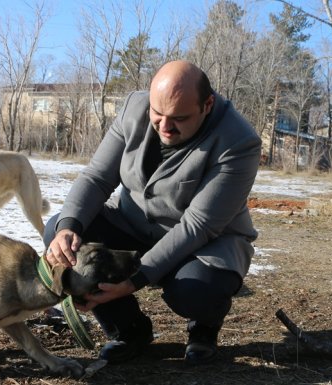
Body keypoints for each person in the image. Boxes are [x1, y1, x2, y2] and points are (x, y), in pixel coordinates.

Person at [44, 60, 261, 365]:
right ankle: (129, 331)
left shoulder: (238, 141)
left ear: (207, 104)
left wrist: (135, 280)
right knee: (61, 232)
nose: (164, 127)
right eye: (157, 115)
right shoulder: (134, 107)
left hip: (204, 243)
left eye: (179, 119)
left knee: (194, 292)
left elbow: (198, 226)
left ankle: (204, 326)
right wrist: (68, 227)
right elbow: (97, 177)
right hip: (133, 226)